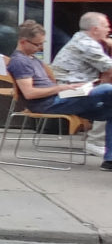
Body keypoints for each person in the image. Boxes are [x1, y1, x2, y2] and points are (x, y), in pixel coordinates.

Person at [7, 20, 112, 171]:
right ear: (23, 42)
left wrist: (70, 89)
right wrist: (61, 88)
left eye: (42, 43)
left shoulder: (31, 58)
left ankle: (110, 160)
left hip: (60, 98)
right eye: (37, 44)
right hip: (48, 103)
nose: (41, 48)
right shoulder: (20, 62)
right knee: (106, 88)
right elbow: (29, 94)